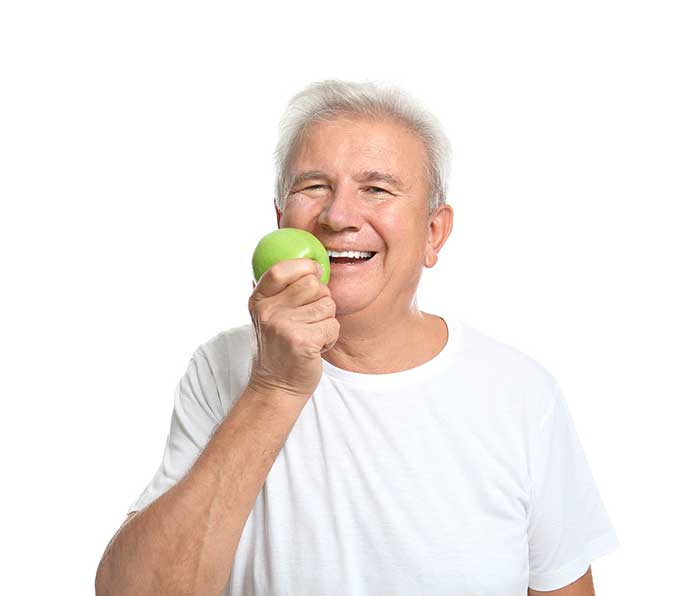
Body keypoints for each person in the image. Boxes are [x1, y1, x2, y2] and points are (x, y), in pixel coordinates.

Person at [95, 79, 620, 596]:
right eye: (314, 187)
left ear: (433, 233)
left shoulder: (520, 394)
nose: (338, 216)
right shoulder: (222, 367)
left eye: (376, 188)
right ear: (281, 220)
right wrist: (274, 388)